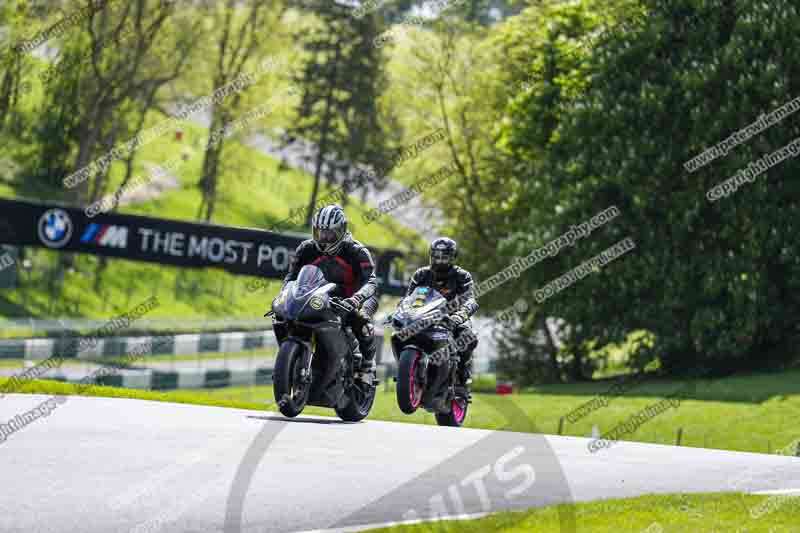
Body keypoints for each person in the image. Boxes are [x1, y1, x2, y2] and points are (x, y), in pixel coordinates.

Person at [274, 204, 379, 376]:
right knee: (280, 315)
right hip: (317, 297)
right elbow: (291, 277)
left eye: (329, 233)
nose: (324, 238)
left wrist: (356, 299)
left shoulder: (357, 251)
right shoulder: (306, 249)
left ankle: (367, 366)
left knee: (361, 318)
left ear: (341, 231)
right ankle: (293, 357)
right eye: (320, 232)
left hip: (355, 297)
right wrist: (284, 292)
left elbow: (371, 282)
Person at [406, 237, 478, 388]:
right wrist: (401, 311)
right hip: (423, 318)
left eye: (444, 257)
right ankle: (409, 369)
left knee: (467, 337)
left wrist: (459, 316)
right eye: (436, 256)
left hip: (453, 319)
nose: (439, 261)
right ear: (431, 255)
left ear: (452, 258)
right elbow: (407, 299)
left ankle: (463, 369)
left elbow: (470, 299)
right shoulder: (421, 275)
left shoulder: (462, 276)